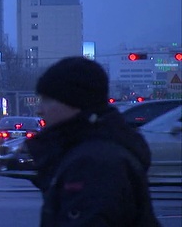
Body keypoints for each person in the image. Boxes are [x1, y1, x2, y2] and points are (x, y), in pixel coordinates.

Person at [26, 56, 160, 226]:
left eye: (47, 100)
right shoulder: (94, 146)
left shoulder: (92, 163)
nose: (39, 110)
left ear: (74, 101)